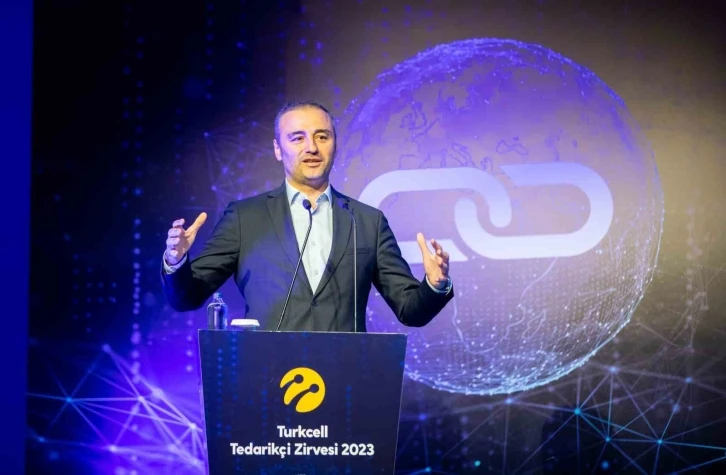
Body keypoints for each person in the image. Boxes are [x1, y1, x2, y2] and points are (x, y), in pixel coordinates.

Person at [161, 100, 454, 332]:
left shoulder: (368, 222)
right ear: (278, 149)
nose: (311, 147)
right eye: (297, 138)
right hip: (266, 378)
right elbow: (188, 298)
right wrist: (176, 262)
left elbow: (411, 312)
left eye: (322, 136)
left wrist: (435, 284)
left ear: (334, 145)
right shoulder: (244, 217)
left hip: (346, 378)